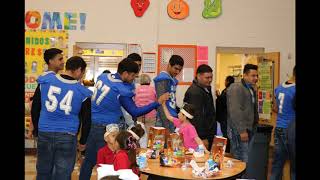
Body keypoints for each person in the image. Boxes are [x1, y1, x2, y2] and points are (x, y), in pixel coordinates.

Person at [79, 58, 169, 180]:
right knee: (109, 164)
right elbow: (135, 111)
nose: (134, 79)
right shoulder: (121, 89)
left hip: (93, 124)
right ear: (125, 73)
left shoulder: (104, 77)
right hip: (107, 129)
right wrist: (157, 102)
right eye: (133, 76)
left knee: (89, 160)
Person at [36, 56, 92, 180]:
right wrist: (83, 142)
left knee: (43, 171)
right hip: (67, 135)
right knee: (62, 174)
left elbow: (36, 107)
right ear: (78, 70)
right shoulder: (83, 92)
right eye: (83, 72)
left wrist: (36, 130)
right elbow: (87, 120)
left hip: (44, 132)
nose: (82, 76)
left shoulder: (46, 80)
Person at [226, 64, 259, 163]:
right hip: (239, 130)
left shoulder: (251, 88)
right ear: (245, 75)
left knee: (245, 159)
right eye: (253, 76)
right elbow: (235, 111)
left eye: (257, 76)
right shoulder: (236, 88)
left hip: (249, 128)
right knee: (240, 160)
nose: (256, 78)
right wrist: (242, 131)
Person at [31, 48, 65, 138]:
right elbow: (36, 106)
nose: (63, 61)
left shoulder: (52, 77)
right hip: (46, 128)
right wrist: (36, 127)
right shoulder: (48, 79)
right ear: (51, 61)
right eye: (60, 59)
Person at [270, 66, 296, 180]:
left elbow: (275, 108)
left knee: (278, 163)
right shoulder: (295, 89)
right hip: (291, 130)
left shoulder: (279, 87)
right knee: (294, 165)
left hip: (279, 128)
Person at [183, 64, 216, 150]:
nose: (210, 80)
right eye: (207, 78)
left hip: (207, 133)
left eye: (211, 77)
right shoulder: (195, 92)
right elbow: (197, 117)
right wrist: (203, 137)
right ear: (198, 76)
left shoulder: (205, 88)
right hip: (201, 136)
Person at [154, 55, 184, 133]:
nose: (177, 72)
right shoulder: (163, 79)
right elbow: (160, 103)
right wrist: (166, 126)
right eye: (176, 68)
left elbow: (172, 100)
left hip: (172, 118)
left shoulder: (172, 80)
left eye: (179, 70)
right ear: (169, 65)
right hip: (164, 120)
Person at [120, 53, 142, 130]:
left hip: (131, 117)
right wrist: (131, 124)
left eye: (139, 65)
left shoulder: (132, 81)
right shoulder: (124, 81)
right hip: (123, 119)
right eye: (136, 65)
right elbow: (123, 107)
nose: (138, 68)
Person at [215, 75, 235, 153]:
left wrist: (218, 96)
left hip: (224, 117)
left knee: (225, 134)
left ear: (228, 81)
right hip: (225, 116)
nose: (224, 82)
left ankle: (226, 150)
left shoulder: (228, 90)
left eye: (225, 81)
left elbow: (223, 102)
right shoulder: (229, 90)